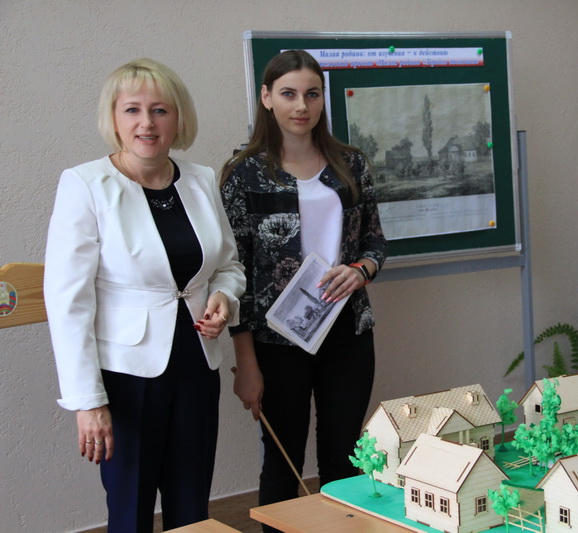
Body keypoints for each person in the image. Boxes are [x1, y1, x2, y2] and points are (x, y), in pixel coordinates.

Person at [43, 58, 245, 533]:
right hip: (126, 377)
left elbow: (229, 266)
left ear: (178, 118)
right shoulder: (86, 185)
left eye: (160, 110)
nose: (146, 123)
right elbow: (68, 302)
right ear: (114, 119)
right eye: (132, 109)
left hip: (196, 364)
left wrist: (223, 297)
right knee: (130, 509)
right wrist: (87, 401)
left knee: (192, 503)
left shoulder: (200, 179)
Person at [220, 50, 387, 529]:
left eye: (312, 94)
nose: (301, 106)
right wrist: (246, 362)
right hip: (277, 342)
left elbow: (376, 240)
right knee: (282, 462)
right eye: (289, 94)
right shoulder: (244, 173)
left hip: (347, 332)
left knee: (345, 458)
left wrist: (361, 270)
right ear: (266, 97)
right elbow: (235, 273)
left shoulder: (351, 163)